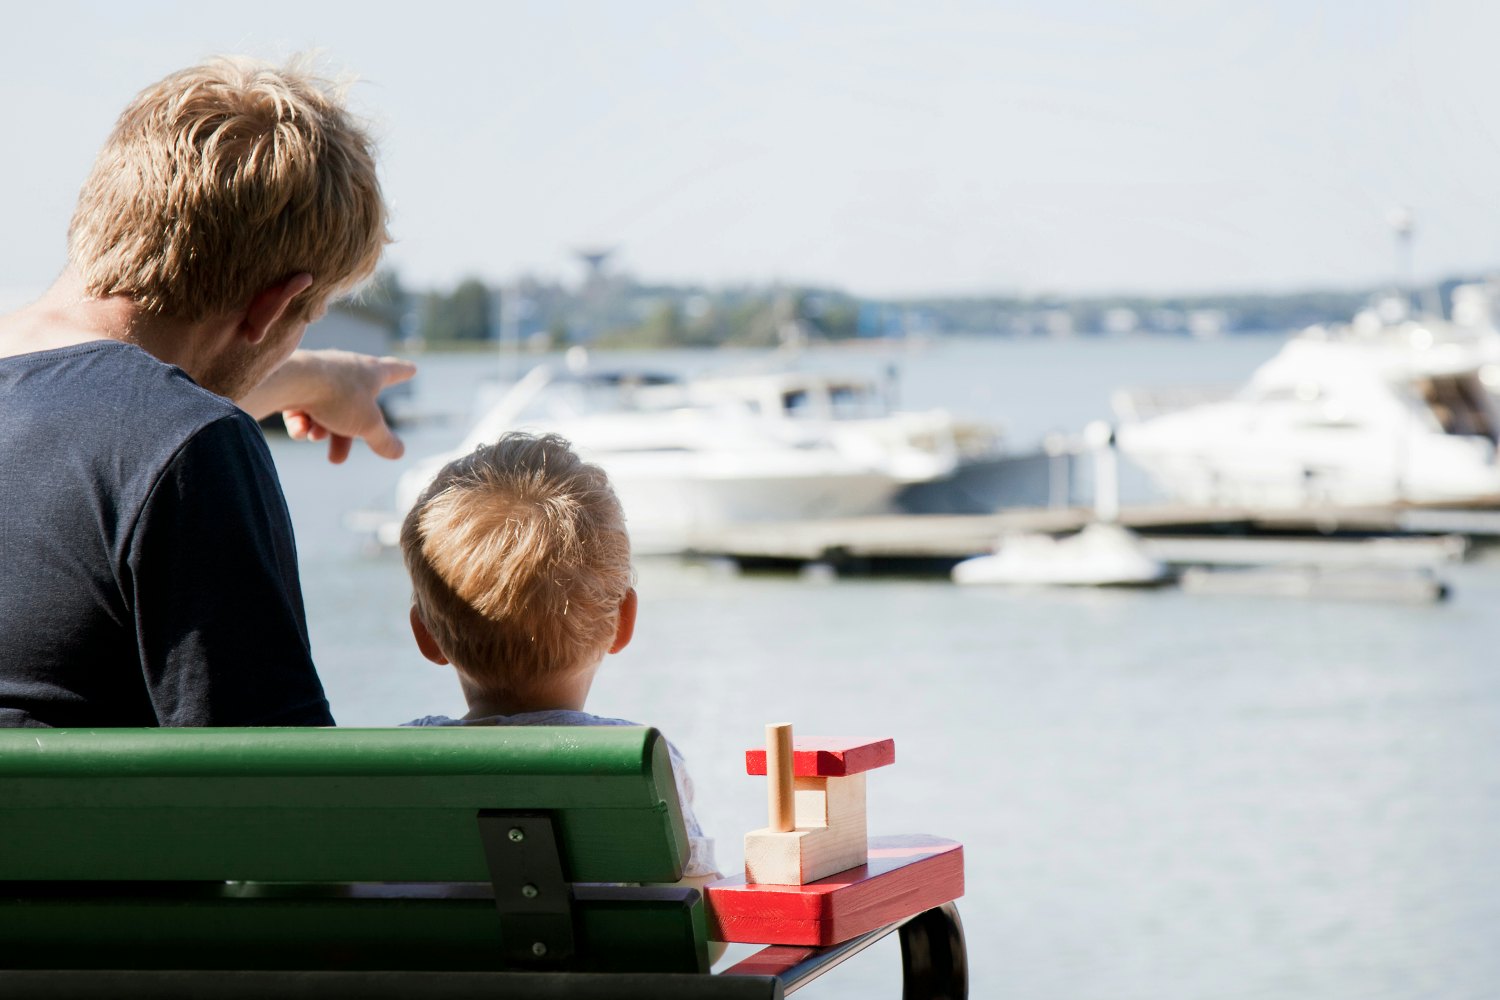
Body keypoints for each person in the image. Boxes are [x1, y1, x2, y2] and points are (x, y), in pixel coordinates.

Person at [0, 56, 413, 727]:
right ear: (273, 307)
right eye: (307, 320)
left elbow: (84, 418)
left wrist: (316, 377)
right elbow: (271, 778)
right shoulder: (191, 446)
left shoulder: (140, 435)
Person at [401, 432, 719, 883]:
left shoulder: (398, 764)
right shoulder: (642, 762)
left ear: (424, 634)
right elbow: (698, 910)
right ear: (623, 622)